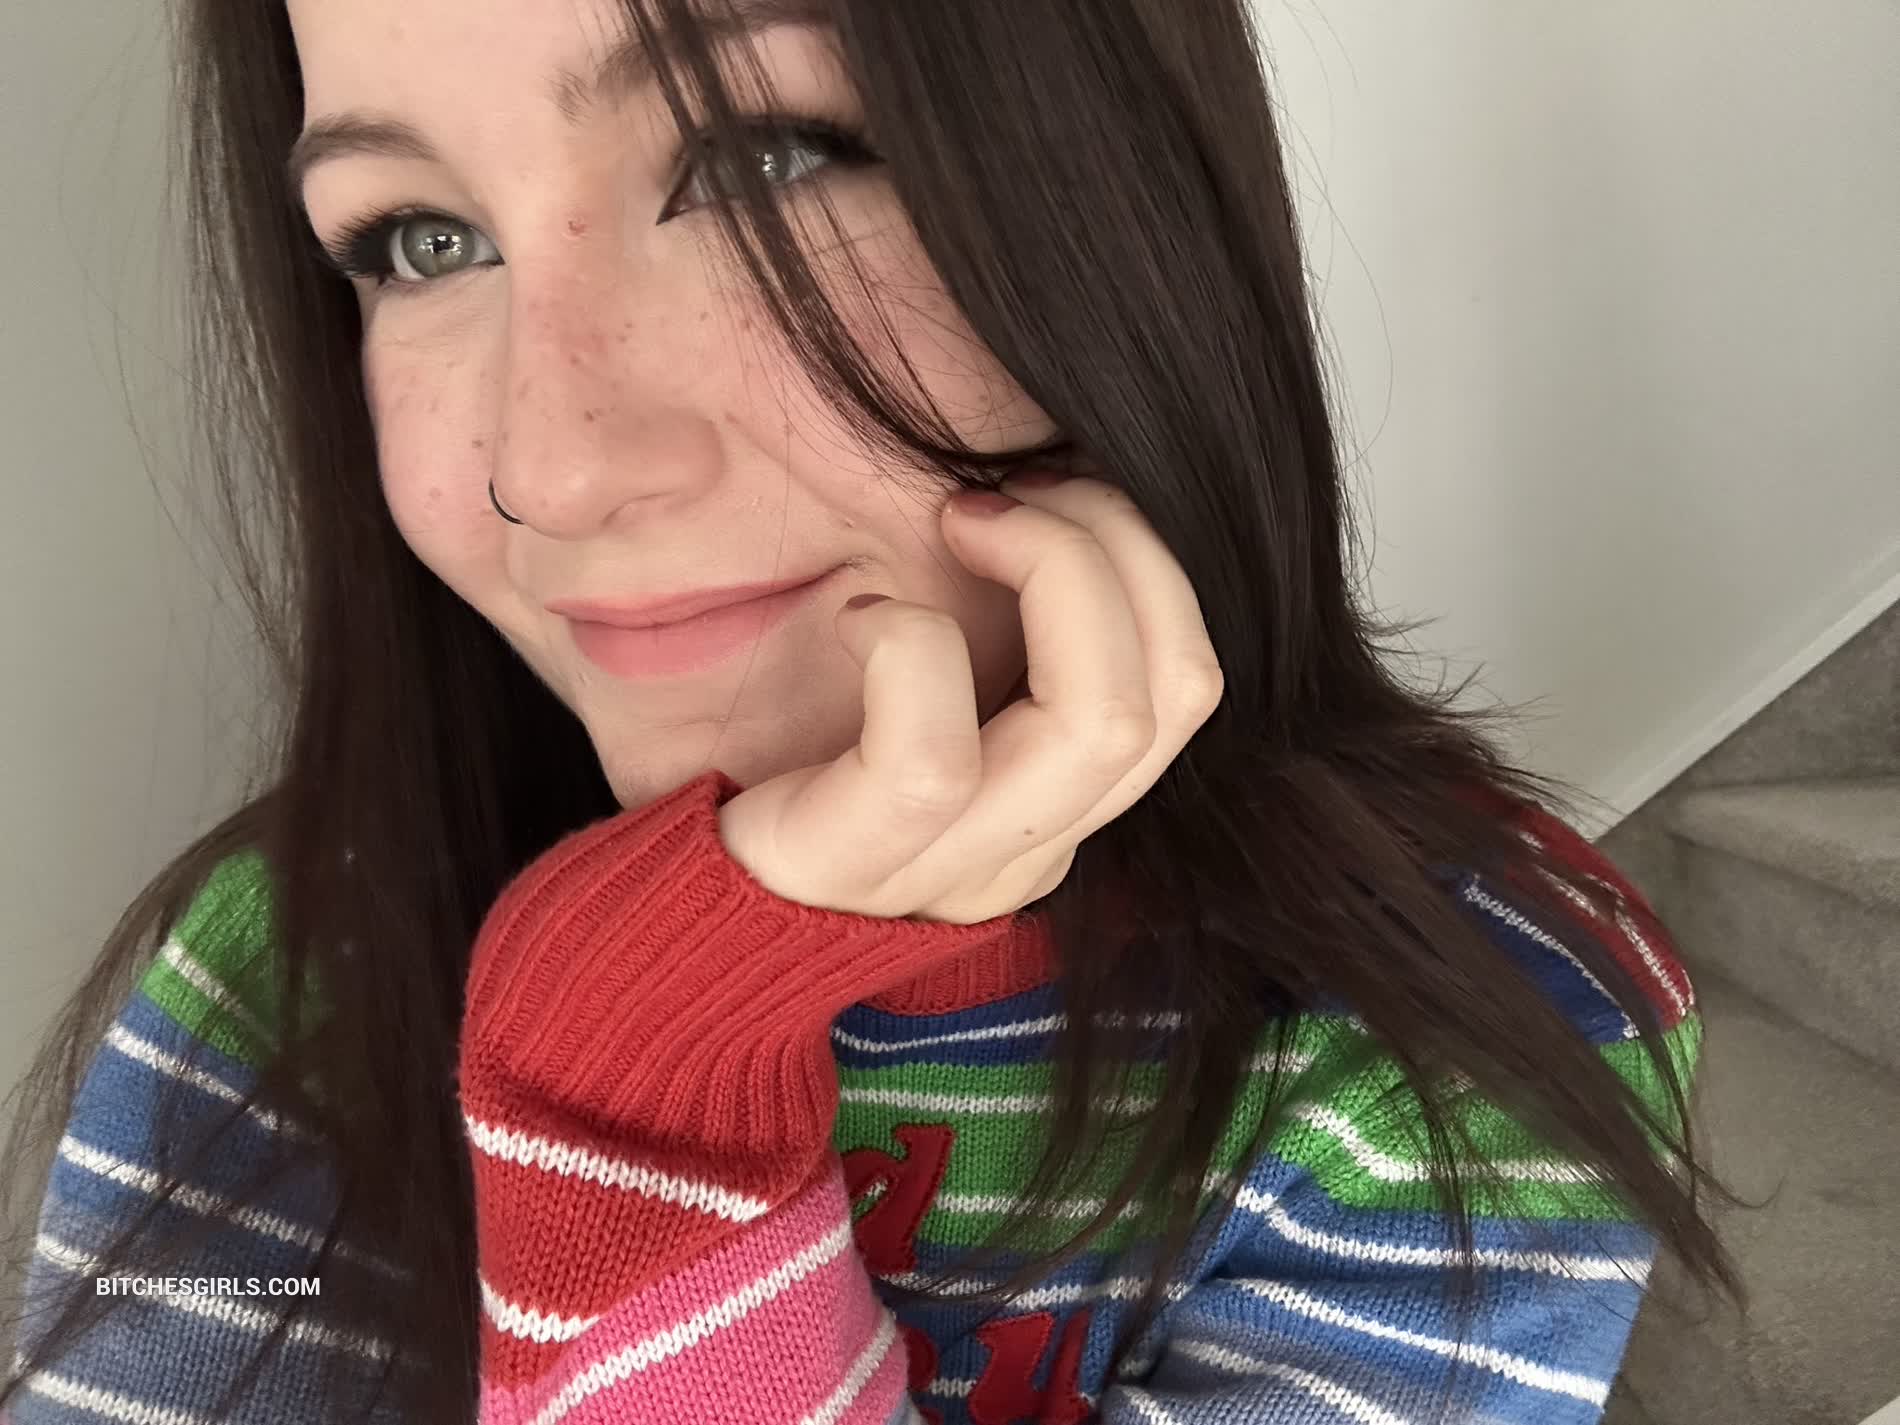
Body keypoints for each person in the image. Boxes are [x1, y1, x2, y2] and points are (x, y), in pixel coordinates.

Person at [0, 0, 1745, 1421]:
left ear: (1129, 195)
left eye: (761, 155)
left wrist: (632, 1098)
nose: (553, 467)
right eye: (420, 239)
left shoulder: (1481, 1024)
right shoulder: (295, 967)